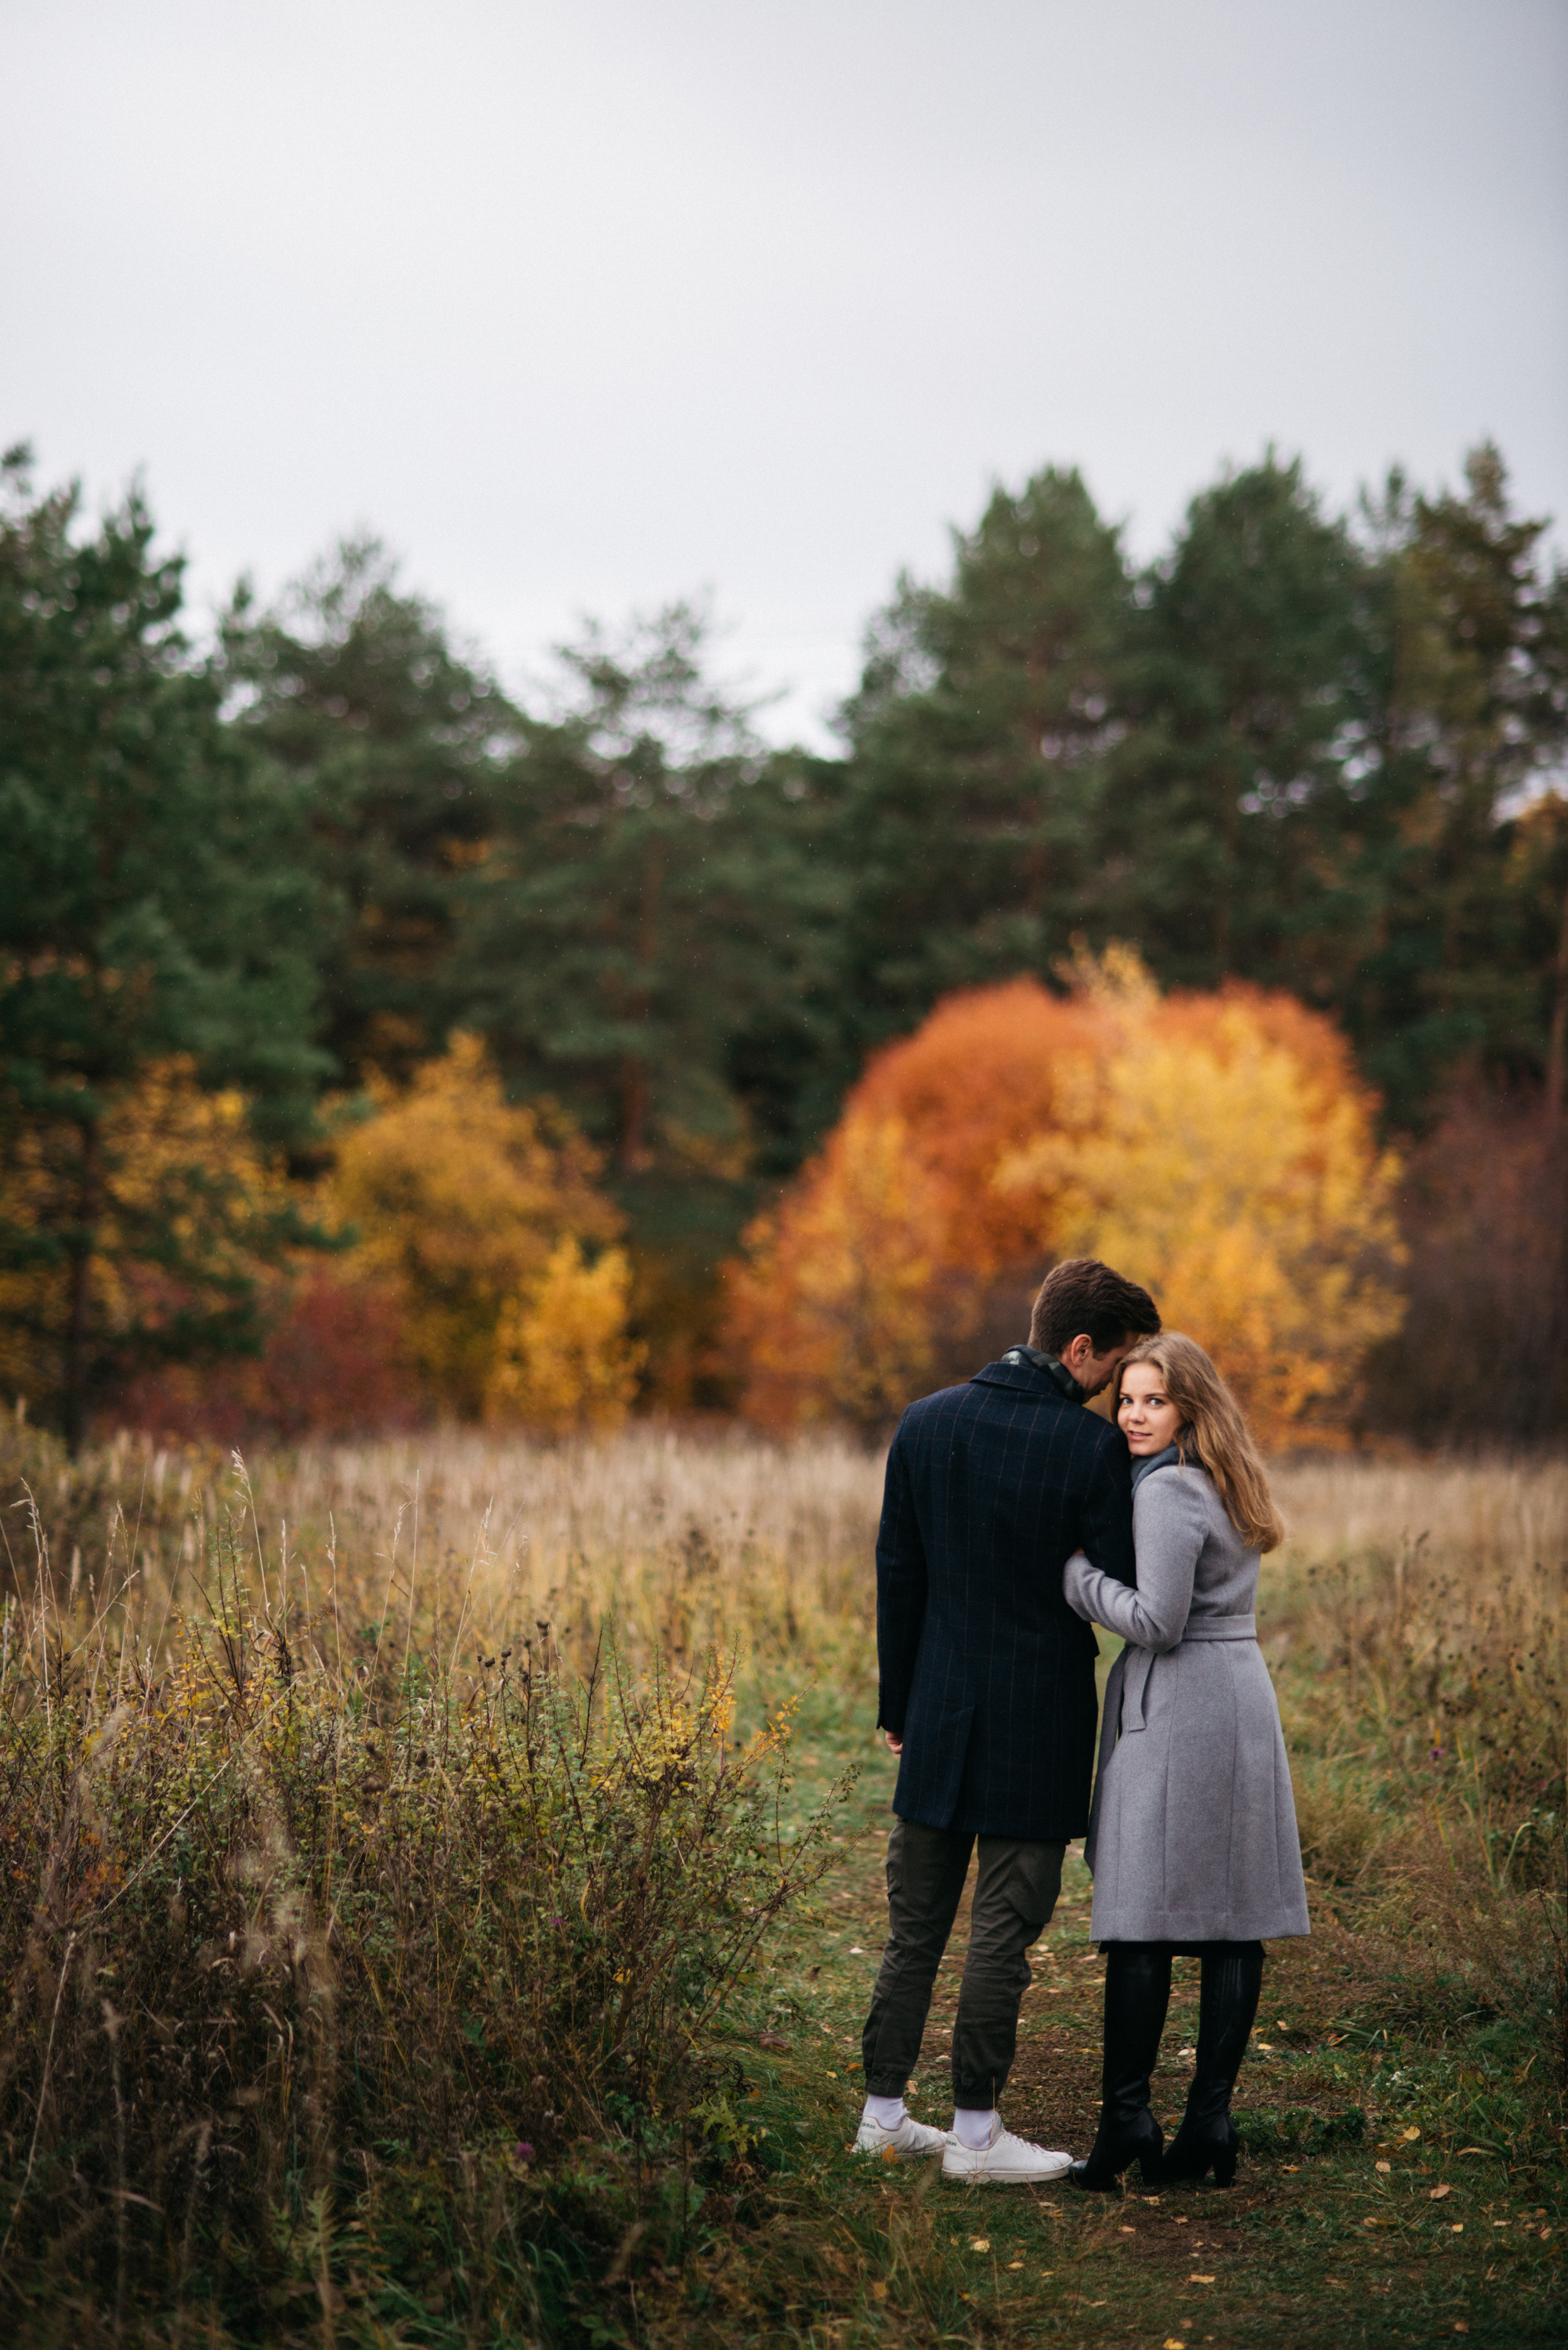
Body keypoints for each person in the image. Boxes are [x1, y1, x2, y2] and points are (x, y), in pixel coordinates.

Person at [854, 1257, 1162, 2184]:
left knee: (915, 1929)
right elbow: (1120, 1580)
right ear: (1078, 1348)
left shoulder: (925, 1421)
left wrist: (897, 1704)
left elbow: (896, 1574)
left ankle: (881, 2116)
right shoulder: (1088, 1451)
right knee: (1000, 1932)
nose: (1114, 1392)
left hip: (938, 1708)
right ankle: (978, 2138)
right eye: (1113, 1369)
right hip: (1039, 1719)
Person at [1062, 1332, 1309, 2192]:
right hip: (1236, 1693)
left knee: (1141, 1913)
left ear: (1188, 1408)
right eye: (1124, 1399)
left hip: (1178, 1702)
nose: (1132, 1414)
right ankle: (1209, 2120)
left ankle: (1125, 2118)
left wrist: (1076, 1577)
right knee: (1230, 1916)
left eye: (1151, 1400)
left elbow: (1158, 1620)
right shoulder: (1225, 1479)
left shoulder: (1166, 1488)